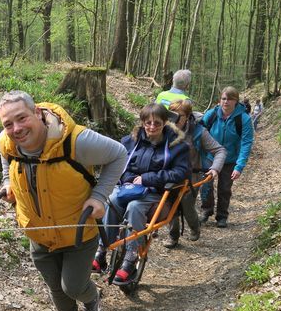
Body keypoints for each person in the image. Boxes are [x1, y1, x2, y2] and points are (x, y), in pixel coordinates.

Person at [0, 91, 127, 311]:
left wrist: (100, 196)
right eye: (8, 124)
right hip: (38, 233)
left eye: (22, 118)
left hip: (78, 232)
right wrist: (7, 181)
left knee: (73, 286)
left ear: (37, 113)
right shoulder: (6, 142)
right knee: (56, 287)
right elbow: (5, 157)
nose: (16, 129)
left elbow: (119, 154)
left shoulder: (76, 141)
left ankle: (92, 301)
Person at [93, 103, 190, 287]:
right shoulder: (130, 141)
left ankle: (131, 256)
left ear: (165, 123)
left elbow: (181, 173)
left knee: (135, 207)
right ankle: (102, 249)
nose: (152, 127)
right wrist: (130, 178)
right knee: (112, 200)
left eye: (157, 123)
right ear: (142, 123)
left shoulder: (178, 146)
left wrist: (147, 178)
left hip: (156, 193)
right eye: (148, 123)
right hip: (128, 189)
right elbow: (119, 165)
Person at [163, 100, 226, 249]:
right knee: (168, 204)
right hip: (168, 175)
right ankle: (173, 236)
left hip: (191, 177)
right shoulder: (163, 129)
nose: (176, 119)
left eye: (181, 116)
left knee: (186, 205)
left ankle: (195, 226)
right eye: (173, 115)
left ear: (188, 116)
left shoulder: (198, 132)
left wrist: (215, 168)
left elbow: (220, 150)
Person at [199, 87, 254, 228]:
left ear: (236, 101)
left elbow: (246, 143)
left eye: (230, 99)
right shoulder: (211, 114)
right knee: (205, 185)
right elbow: (200, 132)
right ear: (220, 100)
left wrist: (239, 166)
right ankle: (206, 210)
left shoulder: (244, 119)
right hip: (210, 157)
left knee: (224, 188)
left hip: (230, 160)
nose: (226, 102)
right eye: (223, 98)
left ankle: (222, 216)